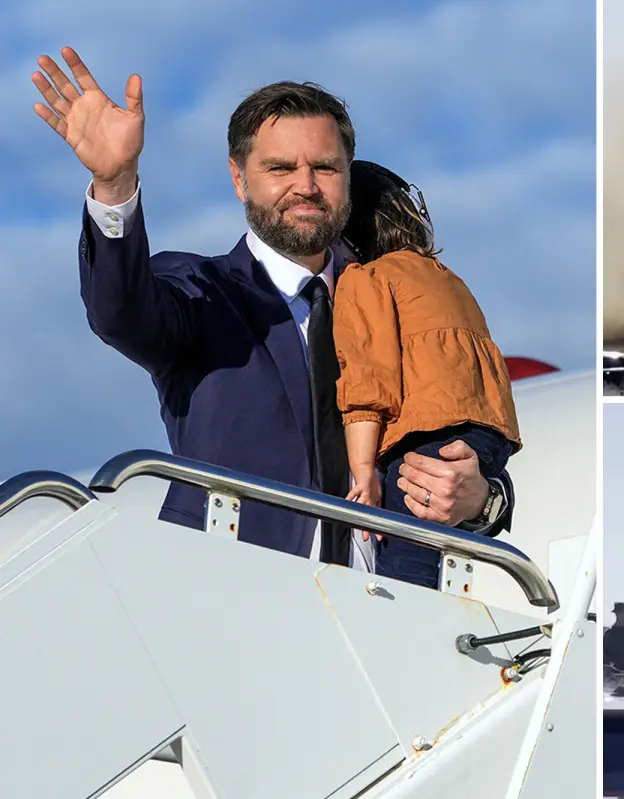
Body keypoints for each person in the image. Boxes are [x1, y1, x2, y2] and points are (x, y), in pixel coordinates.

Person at [31, 48, 511, 565]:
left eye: (324, 167)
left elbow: (461, 426)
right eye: (280, 168)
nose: (305, 187)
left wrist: (482, 499)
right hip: (232, 605)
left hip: (385, 614)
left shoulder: (398, 301)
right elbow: (119, 311)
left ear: (348, 174)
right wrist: (114, 185)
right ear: (239, 180)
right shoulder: (201, 290)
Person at [334, 160, 520, 588]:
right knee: (442, 564)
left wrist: (363, 471)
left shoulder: (366, 280)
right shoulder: (446, 279)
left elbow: (368, 381)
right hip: (487, 442)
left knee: (405, 574)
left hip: (426, 441)